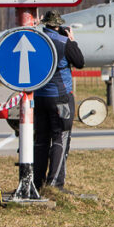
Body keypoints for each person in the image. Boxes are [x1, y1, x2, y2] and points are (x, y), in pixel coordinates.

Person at [33, 10, 84, 190]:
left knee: (40, 140)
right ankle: (54, 184)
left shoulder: (37, 41)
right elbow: (79, 62)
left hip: (39, 97)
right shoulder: (64, 43)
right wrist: (72, 41)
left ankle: (36, 182)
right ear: (59, 25)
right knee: (60, 138)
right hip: (61, 97)